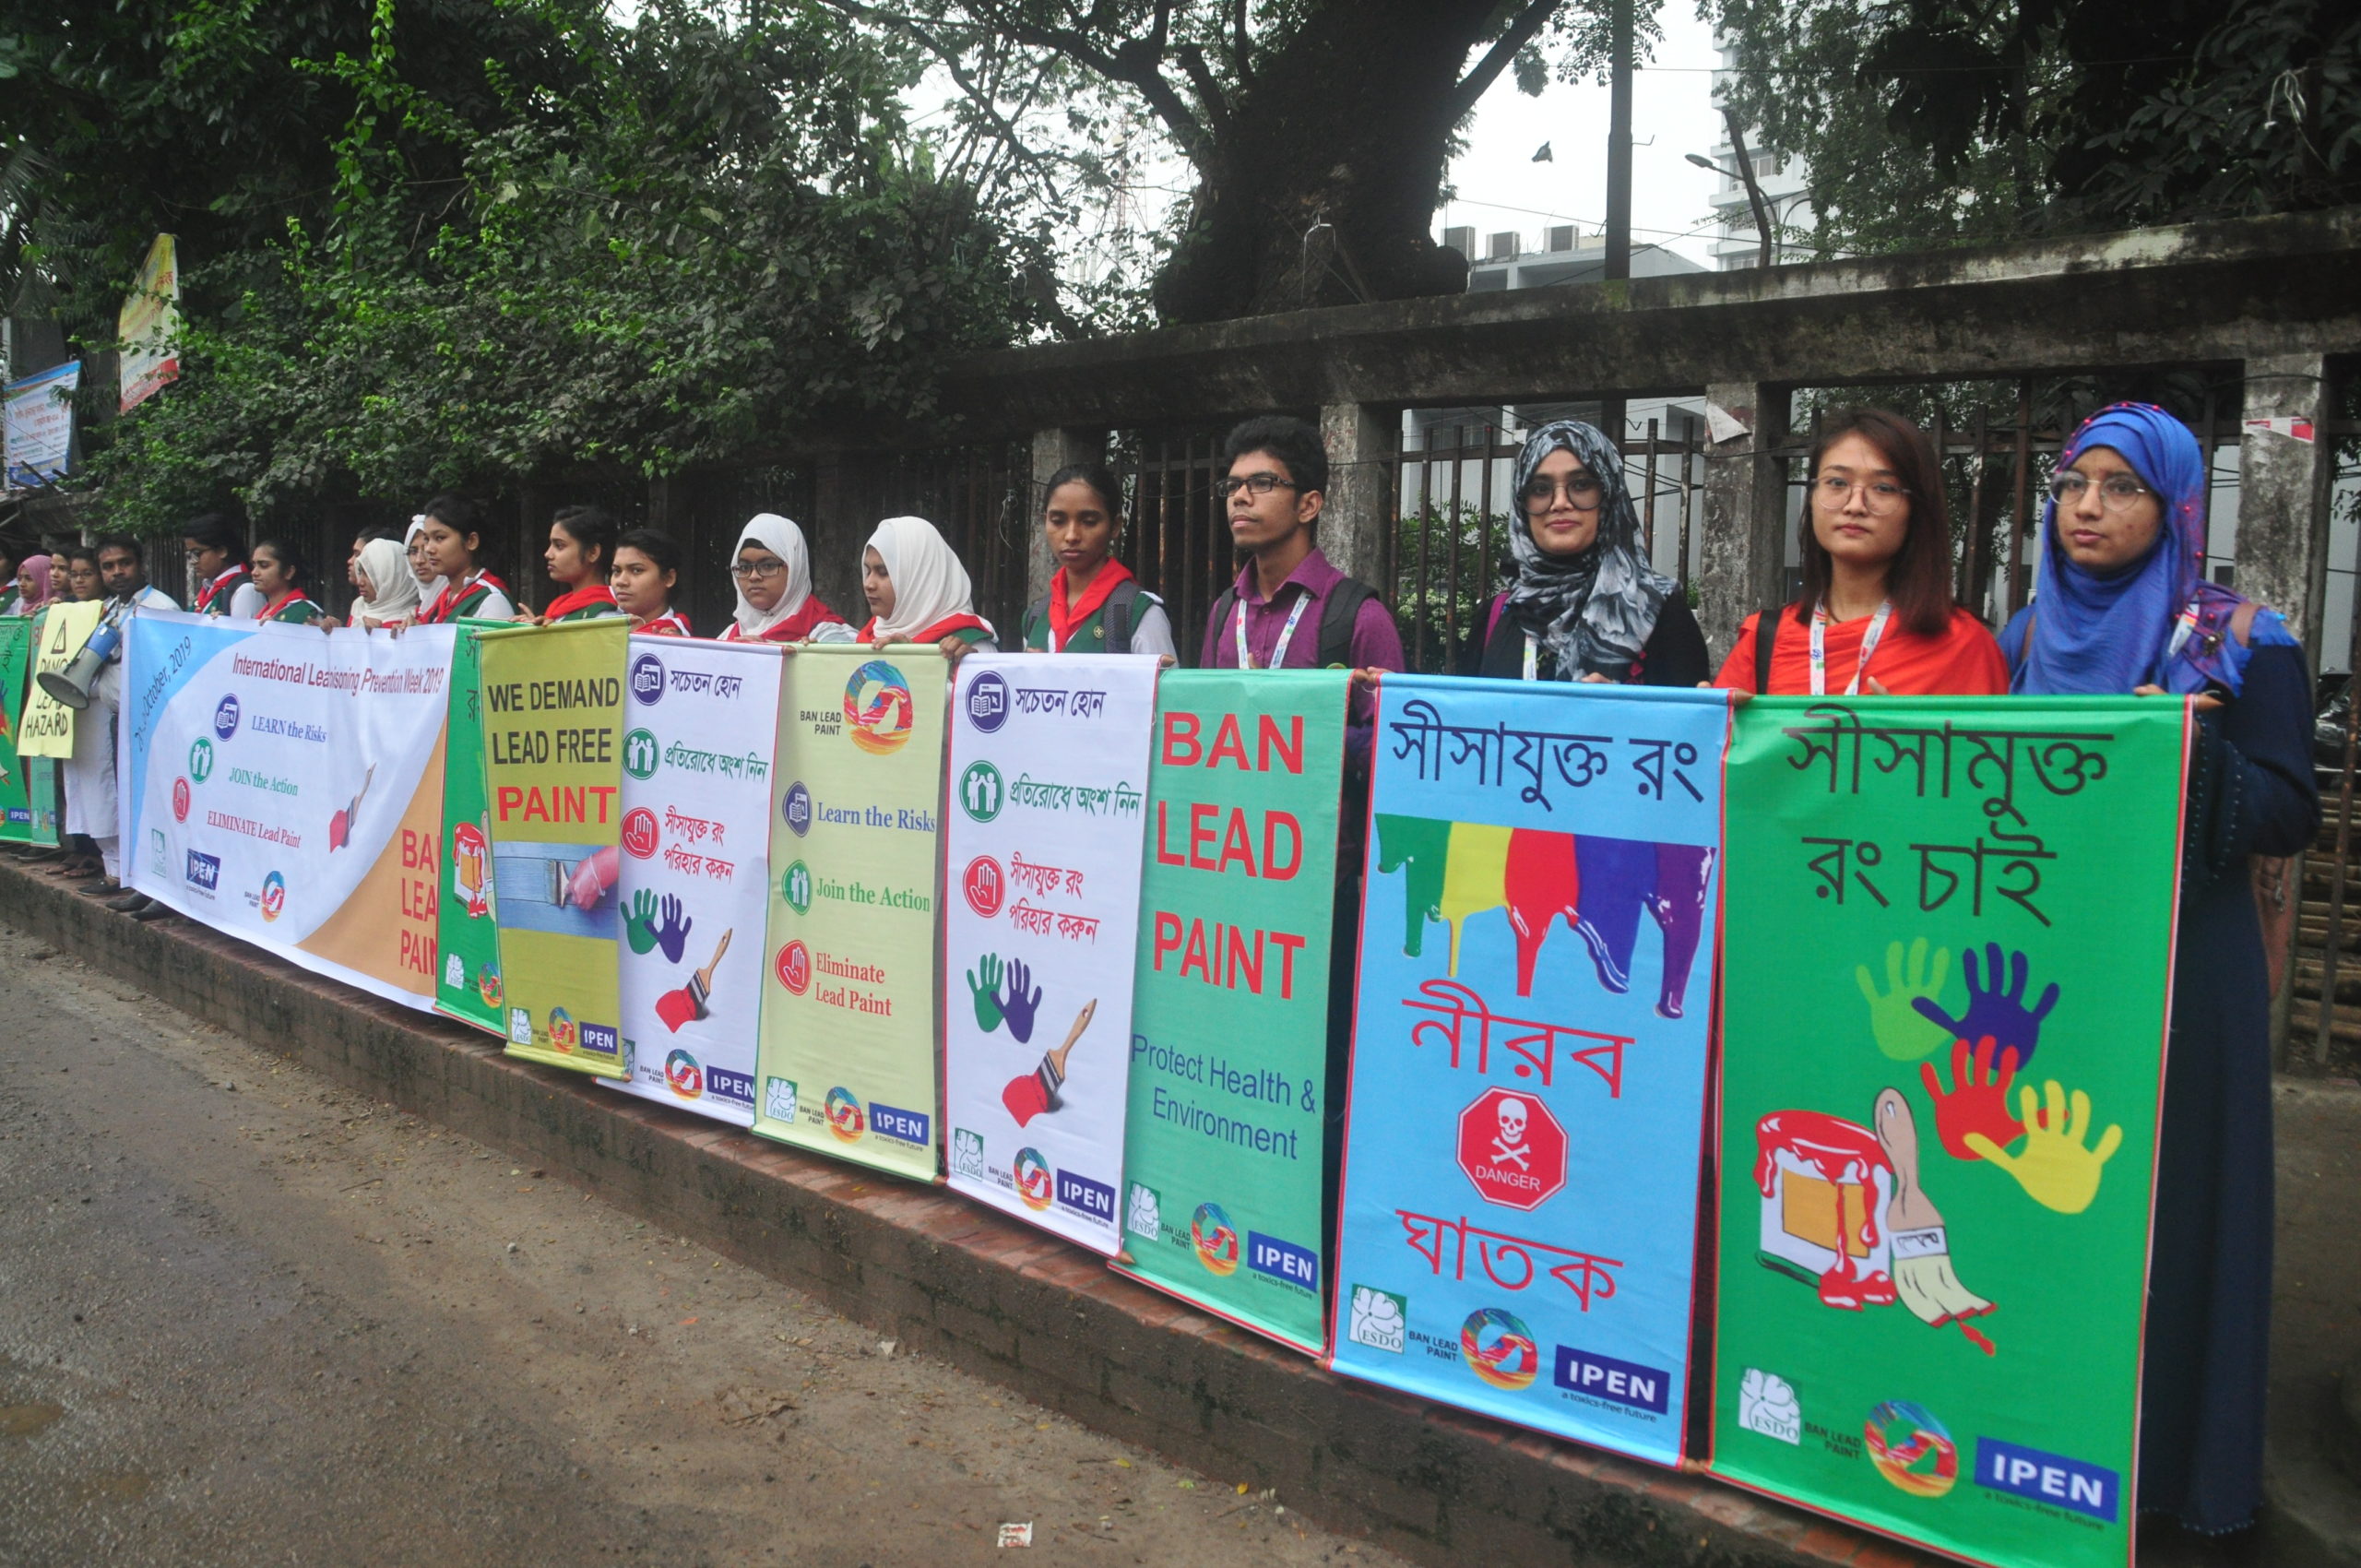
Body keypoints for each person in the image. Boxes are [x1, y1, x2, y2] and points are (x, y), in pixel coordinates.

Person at [1997, 402, 2316, 1538]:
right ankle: (2031, 1443)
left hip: (2188, 964)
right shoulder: (2026, 636)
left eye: (2119, 487)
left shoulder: (2242, 637)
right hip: (2057, 959)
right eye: (2073, 484)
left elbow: (2289, 806)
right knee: (2048, 1194)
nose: (2087, 507)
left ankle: (2174, 1471)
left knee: (2172, 1211)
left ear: (2175, 502)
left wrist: (2187, 753)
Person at [1714, 409, 2006, 696]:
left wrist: (1904, 741)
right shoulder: (1765, 639)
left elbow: (1989, 745)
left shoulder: (1963, 646)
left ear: (1917, 509)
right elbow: (1720, 742)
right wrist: (1705, 725)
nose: (1855, 505)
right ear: (1812, 497)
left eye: (1883, 488)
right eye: (1837, 483)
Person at [1473, 419, 1707, 685]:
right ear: (1522, 505)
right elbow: (1463, 720)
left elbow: (1687, 721)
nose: (1560, 503)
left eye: (1581, 485)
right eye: (1540, 489)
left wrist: (1623, 713)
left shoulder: (1659, 610)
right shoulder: (1499, 614)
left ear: (1609, 495)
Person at [1202, 416, 1404, 679]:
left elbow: (1388, 719)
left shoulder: (1360, 618)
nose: (1239, 497)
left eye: (1262, 483)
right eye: (1232, 485)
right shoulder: (1225, 612)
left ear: (1308, 506)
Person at [70, 538, 175, 908]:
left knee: (161, 805)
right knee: (133, 805)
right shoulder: (111, 609)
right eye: (108, 566)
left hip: (155, 722)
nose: (117, 572)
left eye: (124, 563)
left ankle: (166, 890)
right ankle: (141, 883)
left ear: (140, 564)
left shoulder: (160, 607)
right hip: (121, 720)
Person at [1017, 465, 1176, 657]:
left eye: (1089, 521)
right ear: (1045, 522)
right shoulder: (1035, 616)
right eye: (1058, 521)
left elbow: (1164, 686)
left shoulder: (1139, 613)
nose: (1071, 535)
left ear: (1115, 526)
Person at [856, 516, 995, 657]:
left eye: (883, 572)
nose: (869, 584)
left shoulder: (966, 646)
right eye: (867, 571)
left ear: (920, 577)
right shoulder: (868, 637)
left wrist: (966, 668)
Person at [719, 514, 847, 643]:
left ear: (795, 569)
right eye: (744, 567)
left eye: (768, 565)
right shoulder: (728, 637)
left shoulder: (831, 638)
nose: (753, 576)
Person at [413, 495, 516, 623]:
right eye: (427, 539)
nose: (428, 548)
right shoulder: (443, 598)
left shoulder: (492, 600)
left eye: (440, 538)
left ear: (471, 541)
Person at [535, 505, 623, 623]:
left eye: (559, 546)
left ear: (593, 552)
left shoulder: (604, 615)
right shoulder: (559, 608)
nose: (548, 554)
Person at [611, 529, 690, 636]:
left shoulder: (676, 640)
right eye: (617, 571)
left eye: (636, 570)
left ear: (669, 578)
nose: (621, 581)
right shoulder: (604, 628)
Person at [184, 514, 263, 619]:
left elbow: (241, 634)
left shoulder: (246, 590)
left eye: (197, 553)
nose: (192, 561)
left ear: (222, 551)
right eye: (190, 555)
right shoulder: (208, 588)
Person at [250, 540, 328, 625]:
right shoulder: (264, 612)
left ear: (288, 572)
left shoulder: (306, 612)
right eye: (254, 565)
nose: (254, 572)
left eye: (264, 565)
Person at [350, 536, 421, 629]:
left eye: (369, 574)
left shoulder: (410, 623)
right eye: (360, 572)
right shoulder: (358, 608)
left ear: (392, 578)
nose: (360, 582)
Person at [404, 514, 446, 616]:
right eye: (413, 551)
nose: (419, 560)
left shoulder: (456, 599)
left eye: (427, 550)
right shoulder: (418, 610)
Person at [8, 553, 51, 618]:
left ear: (44, 579)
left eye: (29, 579)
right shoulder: (19, 603)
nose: (22, 584)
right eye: (19, 578)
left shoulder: (54, 606)